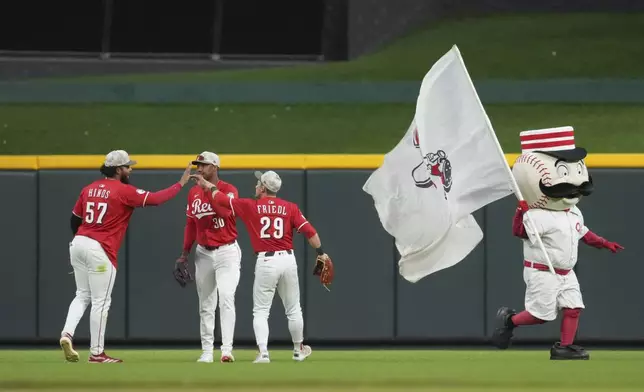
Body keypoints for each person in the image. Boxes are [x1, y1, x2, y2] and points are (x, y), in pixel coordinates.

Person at [492, 126, 624, 360]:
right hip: (542, 271)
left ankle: (564, 347)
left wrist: (604, 243)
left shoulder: (573, 212)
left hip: (566, 272)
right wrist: (519, 212)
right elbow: (519, 232)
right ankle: (509, 320)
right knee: (540, 316)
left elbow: (582, 233)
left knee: (573, 309)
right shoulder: (537, 215)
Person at [59, 150, 192, 363]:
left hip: (78, 243)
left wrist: (84, 241)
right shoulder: (123, 190)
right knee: (101, 302)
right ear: (119, 169)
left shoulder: (89, 188)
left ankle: (67, 334)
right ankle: (97, 353)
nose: (131, 169)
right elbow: (156, 199)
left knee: (82, 294)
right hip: (99, 249)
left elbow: (75, 220)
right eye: (128, 166)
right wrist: (181, 183)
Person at [191, 170, 330, 363]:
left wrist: (208, 186)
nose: (256, 186)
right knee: (293, 309)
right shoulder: (290, 207)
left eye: (258, 183)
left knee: (261, 311)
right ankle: (298, 350)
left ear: (263, 188)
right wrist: (321, 252)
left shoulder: (251, 206)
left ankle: (263, 353)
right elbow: (310, 232)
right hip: (288, 260)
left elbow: (222, 200)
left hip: (266, 261)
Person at [174, 151, 242, 363]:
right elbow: (191, 225)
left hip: (227, 251)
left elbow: (225, 214)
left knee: (227, 298)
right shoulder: (193, 193)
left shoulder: (229, 190)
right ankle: (206, 351)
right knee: (206, 304)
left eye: (203, 165)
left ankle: (226, 350)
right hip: (203, 252)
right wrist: (184, 253)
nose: (199, 168)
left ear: (215, 167)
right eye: (197, 165)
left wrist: (207, 189)